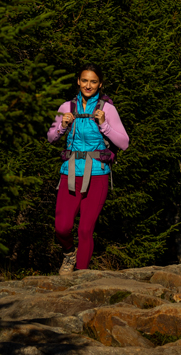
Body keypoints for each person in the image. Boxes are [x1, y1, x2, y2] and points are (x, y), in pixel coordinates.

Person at [47, 64, 129, 275]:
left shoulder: (107, 109)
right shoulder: (66, 107)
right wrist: (62, 126)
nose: (88, 85)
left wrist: (104, 125)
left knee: (85, 230)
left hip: (97, 174)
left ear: (100, 84)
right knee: (62, 227)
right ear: (78, 81)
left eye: (93, 82)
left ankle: (81, 277)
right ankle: (68, 253)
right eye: (85, 80)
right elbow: (51, 138)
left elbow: (124, 142)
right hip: (70, 172)